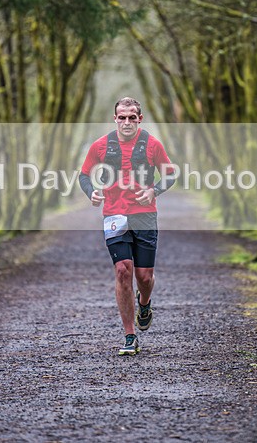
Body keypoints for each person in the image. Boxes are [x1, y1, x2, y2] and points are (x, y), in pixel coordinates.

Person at [78, 97, 176, 355]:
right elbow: (84, 175)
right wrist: (92, 193)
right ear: (115, 118)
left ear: (139, 119)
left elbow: (170, 174)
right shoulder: (101, 145)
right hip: (114, 216)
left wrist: (154, 190)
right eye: (122, 117)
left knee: (144, 277)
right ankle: (129, 336)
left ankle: (144, 302)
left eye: (132, 117)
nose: (127, 122)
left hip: (144, 216)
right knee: (123, 270)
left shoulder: (152, 144)